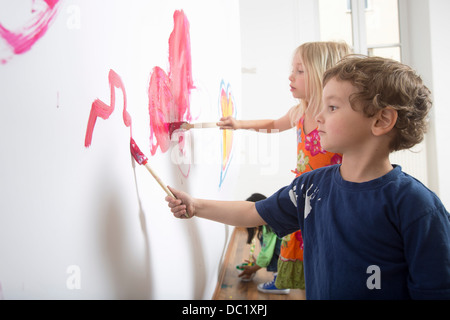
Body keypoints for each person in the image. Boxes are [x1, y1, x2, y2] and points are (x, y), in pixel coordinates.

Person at [166, 56, 450, 300]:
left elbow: (435, 289)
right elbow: (254, 211)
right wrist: (195, 205)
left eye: (333, 107)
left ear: (381, 121)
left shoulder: (417, 206)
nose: (319, 116)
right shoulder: (311, 186)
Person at [218, 41, 352, 291]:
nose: (291, 76)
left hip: (334, 196)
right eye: (292, 69)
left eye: (300, 71)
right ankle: (293, 282)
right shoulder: (298, 113)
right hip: (306, 195)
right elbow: (272, 124)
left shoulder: (334, 116)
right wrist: (239, 124)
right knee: (303, 246)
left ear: (321, 73)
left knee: (328, 251)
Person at [237, 194, 288, 294]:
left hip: (291, 254)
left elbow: (266, 255)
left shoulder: (270, 227)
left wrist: (253, 268)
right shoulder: (275, 217)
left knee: (272, 250)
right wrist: (257, 263)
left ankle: (280, 283)